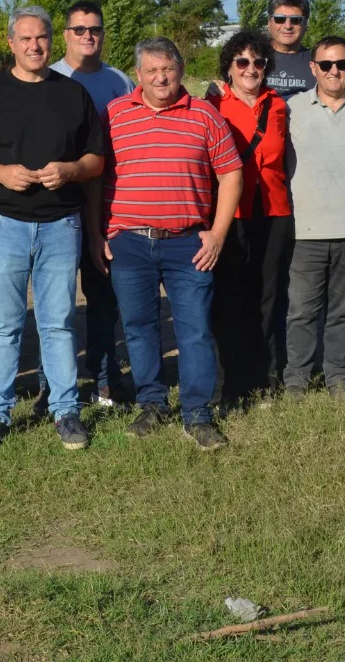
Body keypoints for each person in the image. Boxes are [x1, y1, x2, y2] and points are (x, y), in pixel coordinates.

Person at [0, 6, 104, 454]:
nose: (34, 46)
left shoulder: (73, 94)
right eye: (25, 39)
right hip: (4, 224)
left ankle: (65, 410)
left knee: (58, 322)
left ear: (51, 42)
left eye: (41, 39)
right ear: (11, 43)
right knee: (5, 323)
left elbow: (96, 160)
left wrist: (71, 169)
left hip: (60, 224)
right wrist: (0, 173)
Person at [96, 37, 242, 450]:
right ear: (138, 75)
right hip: (130, 243)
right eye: (152, 70)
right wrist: (99, 233)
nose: (161, 77)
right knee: (140, 329)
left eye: (169, 69)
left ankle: (197, 413)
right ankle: (152, 403)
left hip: (187, 244)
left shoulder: (204, 116)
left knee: (194, 330)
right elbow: (97, 177)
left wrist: (217, 234)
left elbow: (231, 175)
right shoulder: (114, 115)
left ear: (180, 70)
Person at [283, 35, 345, 400]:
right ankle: (296, 378)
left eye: (341, 64)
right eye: (326, 65)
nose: (334, 71)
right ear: (313, 68)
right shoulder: (293, 109)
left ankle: (337, 378)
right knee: (301, 312)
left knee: (343, 313)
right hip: (305, 231)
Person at [49, 0, 133, 406]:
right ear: (65, 35)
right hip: (59, 206)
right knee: (56, 302)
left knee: (103, 297)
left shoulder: (119, 81)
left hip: (110, 203)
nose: (87, 36)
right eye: (79, 29)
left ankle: (104, 375)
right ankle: (53, 383)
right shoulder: (48, 79)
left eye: (94, 29)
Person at [208, 29, 293, 402]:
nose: (251, 68)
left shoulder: (278, 106)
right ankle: (230, 379)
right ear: (229, 68)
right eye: (242, 61)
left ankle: (265, 377)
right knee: (230, 298)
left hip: (273, 211)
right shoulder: (212, 107)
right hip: (231, 214)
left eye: (258, 62)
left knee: (268, 296)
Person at [262, 0, 315, 98]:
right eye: (280, 19)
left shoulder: (319, 64)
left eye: (296, 20)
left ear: (305, 24)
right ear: (269, 22)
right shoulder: (252, 59)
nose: (288, 26)